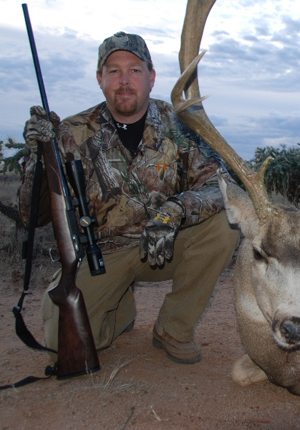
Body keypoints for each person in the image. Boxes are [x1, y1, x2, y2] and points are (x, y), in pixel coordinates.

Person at [19, 31, 240, 364]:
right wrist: (37, 156)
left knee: (225, 226)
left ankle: (173, 328)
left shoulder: (178, 124)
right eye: (114, 71)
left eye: (135, 70)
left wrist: (176, 210)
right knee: (61, 347)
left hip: (163, 246)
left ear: (151, 78)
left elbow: (222, 185)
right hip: (102, 256)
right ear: (100, 79)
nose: (124, 80)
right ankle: (118, 306)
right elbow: (31, 217)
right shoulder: (70, 132)